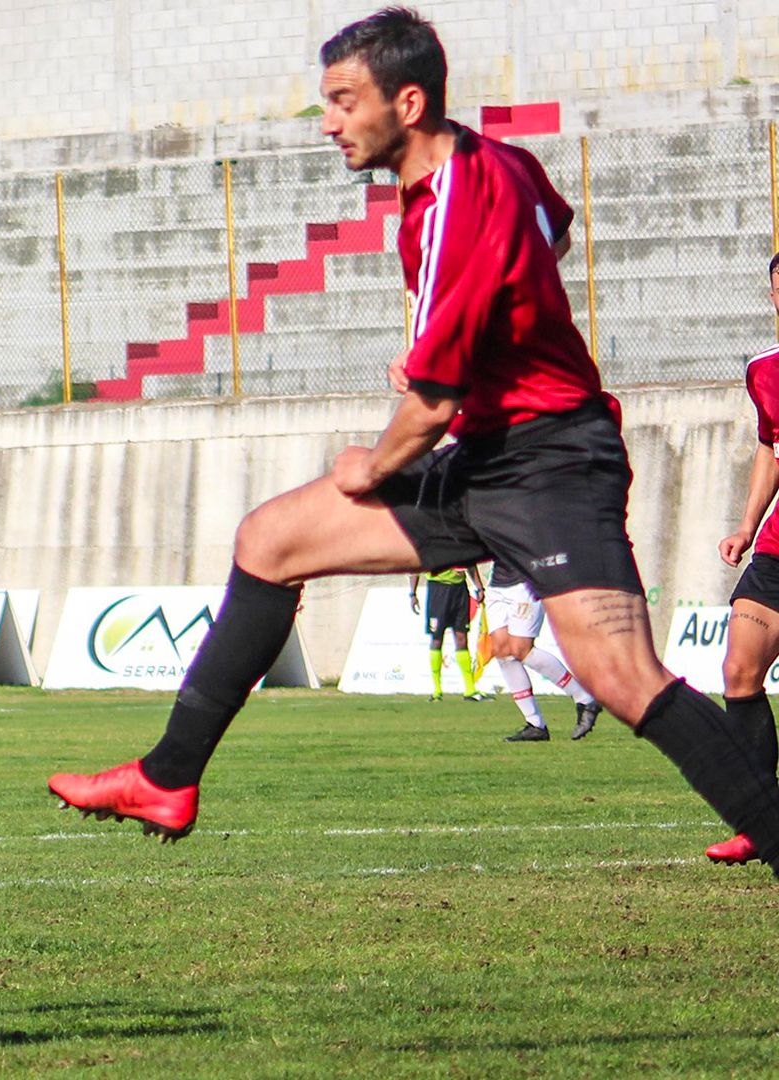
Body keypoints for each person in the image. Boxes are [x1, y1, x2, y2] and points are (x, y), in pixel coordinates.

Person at [47, 7, 779, 876]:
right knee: (269, 541)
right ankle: (166, 778)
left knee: (625, 678)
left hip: (551, 462)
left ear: (408, 99)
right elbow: (557, 225)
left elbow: (429, 405)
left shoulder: (453, 204)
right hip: (488, 456)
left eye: (343, 101)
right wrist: (493, 338)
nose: (328, 122)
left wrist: (375, 460)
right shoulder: (498, 162)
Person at [705, 254, 779, 865]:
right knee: (738, 671)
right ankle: (762, 824)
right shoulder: (764, 371)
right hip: (778, 550)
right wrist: (747, 525)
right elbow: (769, 449)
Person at [485, 561, 601, 741]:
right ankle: (535, 725)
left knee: (520, 649)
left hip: (526, 582)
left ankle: (584, 699)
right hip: (497, 584)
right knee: (502, 651)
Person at [408, 564, 487, 701]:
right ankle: (437, 691)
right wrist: (412, 593)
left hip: (460, 590)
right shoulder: (432, 543)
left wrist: (479, 587)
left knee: (462, 637)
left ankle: (470, 689)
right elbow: (416, 565)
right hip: (438, 589)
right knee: (437, 637)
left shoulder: (461, 543)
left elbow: (470, 564)